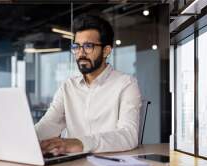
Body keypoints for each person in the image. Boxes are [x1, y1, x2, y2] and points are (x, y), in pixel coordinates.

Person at [35, 15, 141, 155]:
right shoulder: (68, 86)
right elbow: (49, 124)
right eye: (76, 47)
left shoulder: (126, 84)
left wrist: (80, 143)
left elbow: (128, 136)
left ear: (106, 51)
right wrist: (25, 139)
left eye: (88, 46)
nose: (81, 53)